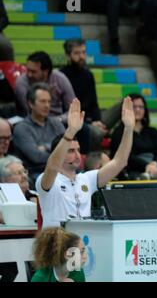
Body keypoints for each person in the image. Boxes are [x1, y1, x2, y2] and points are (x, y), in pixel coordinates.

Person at [35, 97, 134, 229]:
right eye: (70, 151)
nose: (77, 155)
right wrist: (70, 132)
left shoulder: (87, 178)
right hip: (55, 244)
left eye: (78, 150)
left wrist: (128, 129)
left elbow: (119, 162)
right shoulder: (46, 180)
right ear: (57, 153)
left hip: (82, 244)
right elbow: (52, 166)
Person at [60, 38, 109, 149]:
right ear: (68, 56)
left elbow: (94, 103)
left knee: (126, 104)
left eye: (83, 52)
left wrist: (97, 120)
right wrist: (91, 122)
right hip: (76, 120)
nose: (81, 56)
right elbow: (67, 108)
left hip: (92, 118)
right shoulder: (62, 76)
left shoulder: (88, 75)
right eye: (77, 53)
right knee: (97, 133)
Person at [12, 83, 65, 179]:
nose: (47, 105)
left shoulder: (56, 123)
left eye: (49, 101)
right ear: (31, 104)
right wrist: (57, 151)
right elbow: (36, 157)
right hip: (37, 173)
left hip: (61, 169)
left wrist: (45, 146)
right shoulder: (21, 128)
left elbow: (67, 148)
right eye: (43, 101)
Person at [110, 93, 157, 179]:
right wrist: (146, 165)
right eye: (134, 107)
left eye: (141, 107)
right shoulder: (119, 132)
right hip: (132, 170)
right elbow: (125, 157)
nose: (138, 110)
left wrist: (155, 163)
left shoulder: (152, 131)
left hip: (156, 167)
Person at [15, 51, 76, 124]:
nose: (29, 74)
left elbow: (73, 109)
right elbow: (31, 110)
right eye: (27, 70)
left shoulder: (60, 79)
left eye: (33, 72)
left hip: (60, 121)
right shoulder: (22, 83)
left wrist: (58, 120)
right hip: (34, 122)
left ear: (45, 72)